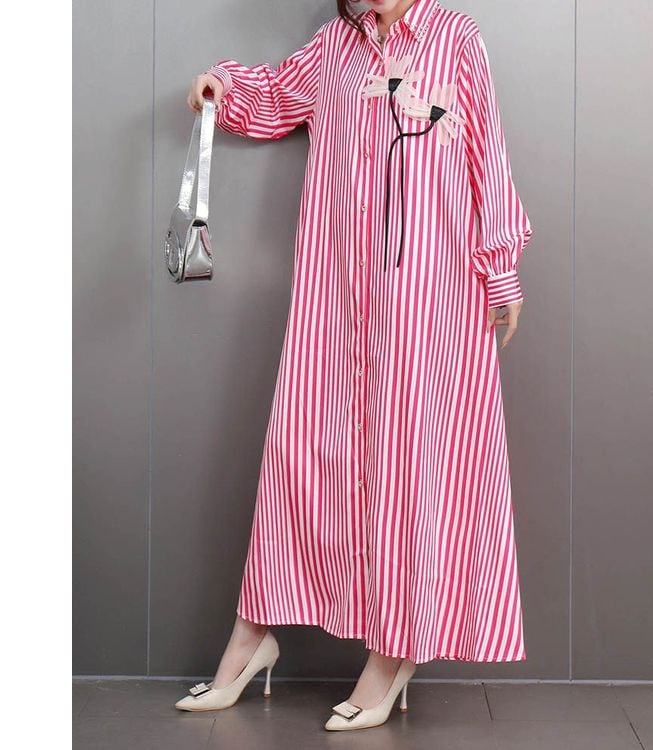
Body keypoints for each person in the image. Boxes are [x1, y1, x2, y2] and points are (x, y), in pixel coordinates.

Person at [175, 0, 534, 731]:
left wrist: (501, 272)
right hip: (336, 300)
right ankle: (254, 633)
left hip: (431, 303)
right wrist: (224, 87)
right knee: (303, 452)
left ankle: (394, 651)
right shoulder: (334, 47)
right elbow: (277, 94)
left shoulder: (455, 39)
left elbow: (487, 158)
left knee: (409, 469)